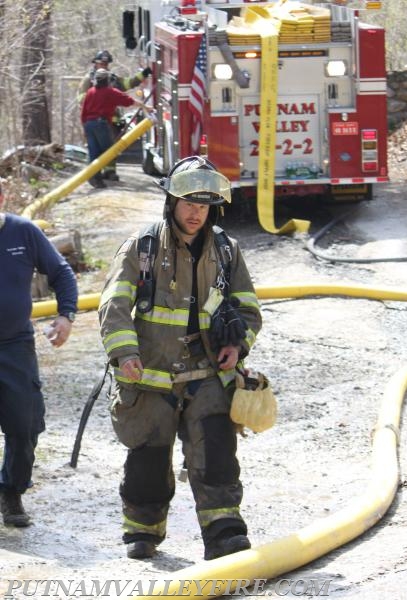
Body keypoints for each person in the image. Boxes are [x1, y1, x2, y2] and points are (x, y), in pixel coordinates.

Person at [98, 156, 262, 561]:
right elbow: (114, 304)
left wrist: (237, 345)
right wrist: (124, 354)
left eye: (204, 206)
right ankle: (143, 530)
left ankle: (224, 530)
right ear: (170, 202)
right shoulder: (143, 248)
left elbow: (249, 309)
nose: (196, 213)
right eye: (189, 203)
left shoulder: (226, 251)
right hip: (151, 377)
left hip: (207, 374)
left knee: (217, 451)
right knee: (149, 458)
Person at [0, 180, 78, 527]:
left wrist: (66, 315)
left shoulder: (23, 232)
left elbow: (61, 273)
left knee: (24, 423)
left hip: (14, 345)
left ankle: (11, 492)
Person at [77, 50, 152, 182]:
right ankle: (95, 174)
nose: (104, 65)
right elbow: (81, 99)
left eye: (106, 63)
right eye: (102, 63)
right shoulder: (89, 80)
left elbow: (128, 83)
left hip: (110, 121)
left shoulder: (111, 79)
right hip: (98, 121)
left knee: (110, 149)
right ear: (95, 63)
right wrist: (102, 96)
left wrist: (143, 74)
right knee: (103, 149)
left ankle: (109, 172)